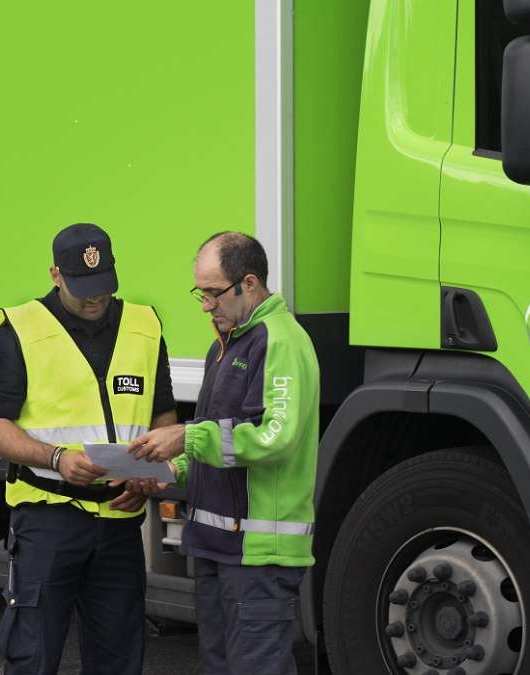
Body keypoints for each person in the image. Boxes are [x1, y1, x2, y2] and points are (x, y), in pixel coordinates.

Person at [0, 222, 178, 675]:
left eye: (103, 286)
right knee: (33, 655)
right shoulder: (19, 329)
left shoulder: (144, 326)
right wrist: (56, 458)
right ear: (55, 274)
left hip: (120, 522)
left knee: (119, 658)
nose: (94, 298)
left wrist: (148, 472)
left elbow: (163, 415)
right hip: (49, 519)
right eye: (82, 288)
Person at [128, 232, 319, 675]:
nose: (205, 305)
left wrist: (187, 438)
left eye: (213, 293)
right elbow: (220, 437)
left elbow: (275, 436)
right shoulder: (227, 343)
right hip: (218, 548)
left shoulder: (280, 341)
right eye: (201, 293)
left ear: (248, 283)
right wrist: (170, 471)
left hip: (258, 557)